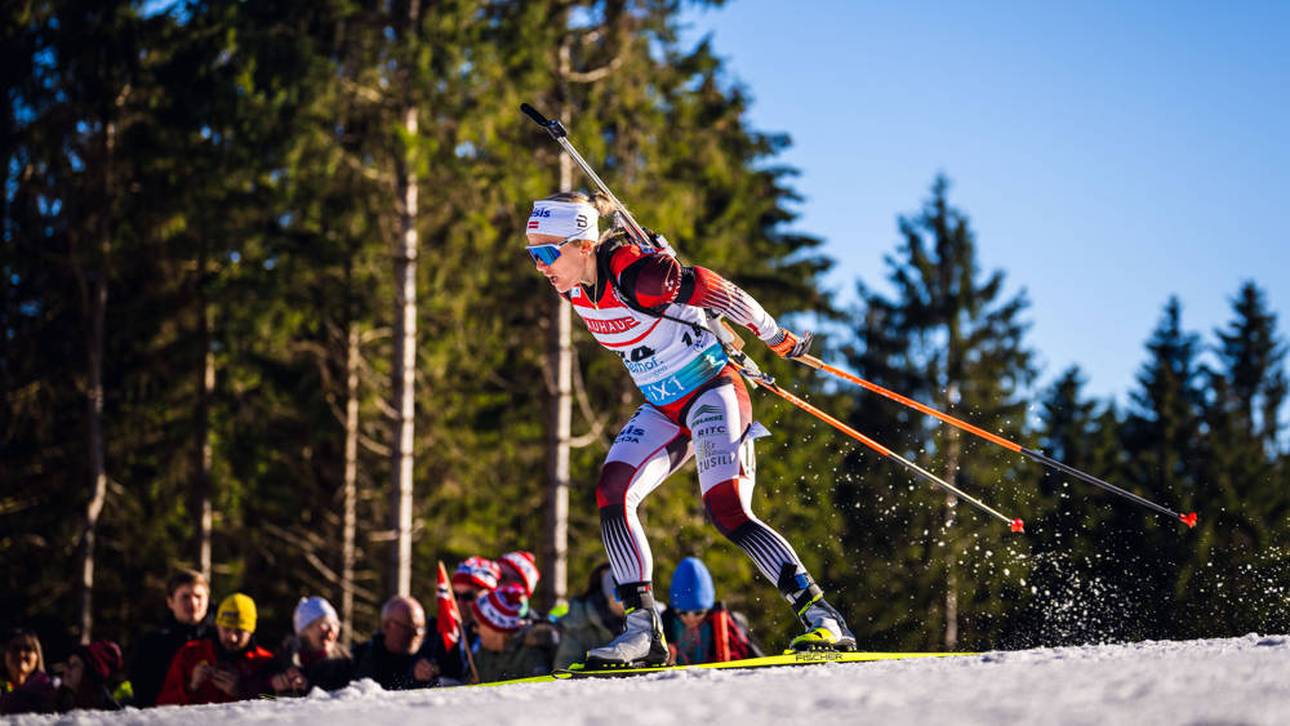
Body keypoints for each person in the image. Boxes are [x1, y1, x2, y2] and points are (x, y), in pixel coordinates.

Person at [524, 192, 855, 666]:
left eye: (547, 253)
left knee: (726, 508)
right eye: (533, 254)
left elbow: (714, 288)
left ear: (582, 245)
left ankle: (822, 617)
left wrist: (773, 335)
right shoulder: (571, 282)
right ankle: (642, 633)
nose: (540, 266)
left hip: (712, 391)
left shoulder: (636, 275)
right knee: (612, 493)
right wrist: (593, 208)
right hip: (663, 405)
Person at [155, 593, 278, 706]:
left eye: (240, 631)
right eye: (226, 629)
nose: (232, 637)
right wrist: (191, 687)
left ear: (251, 631)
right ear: (217, 626)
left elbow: (278, 702)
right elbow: (162, 704)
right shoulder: (191, 653)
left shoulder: (264, 661)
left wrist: (241, 691)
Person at [127, 568, 211, 707]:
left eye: (198, 596)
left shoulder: (222, 640)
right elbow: (144, 696)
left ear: (207, 600)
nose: (193, 603)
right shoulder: (152, 644)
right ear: (170, 602)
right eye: (185, 597)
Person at [662, 557, 762, 665]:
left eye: (698, 613)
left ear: (708, 609)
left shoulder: (725, 624)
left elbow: (754, 657)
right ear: (674, 610)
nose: (691, 619)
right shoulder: (664, 624)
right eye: (683, 613)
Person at [352, 596, 444, 690]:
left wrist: (426, 680)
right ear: (386, 626)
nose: (416, 634)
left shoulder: (430, 657)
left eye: (421, 628)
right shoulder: (359, 658)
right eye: (408, 627)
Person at [470, 584, 558, 683]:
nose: (474, 630)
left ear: (496, 628)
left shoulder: (531, 654)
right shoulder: (483, 653)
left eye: (477, 624)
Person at [552, 563, 625, 670]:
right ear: (608, 595)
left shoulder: (643, 618)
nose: (625, 601)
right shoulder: (578, 624)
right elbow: (564, 669)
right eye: (618, 596)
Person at [274, 596, 353, 694]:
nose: (332, 631)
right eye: (324, 625)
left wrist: (308, 686)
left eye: (335, 624)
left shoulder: (346, 660)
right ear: (305, 630)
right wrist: (275, 684)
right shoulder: (284, 661)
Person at [56, 640, 124, 712]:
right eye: (68, 664)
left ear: (88, 672)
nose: (67, 668)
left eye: (75, 665)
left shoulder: (107, 711)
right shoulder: (63, 700)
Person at [1, 629, 56, 714]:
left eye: (28, 649)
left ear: (37, 655)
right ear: (5, 654)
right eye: (15, 648)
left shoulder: (50, 692)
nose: (21, 654)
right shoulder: (2, 686)